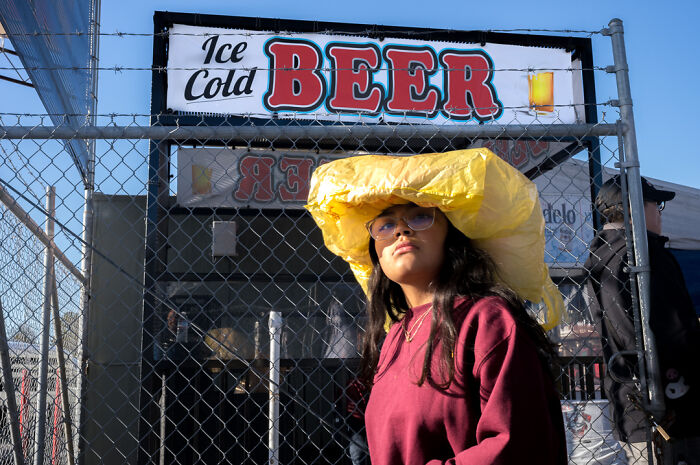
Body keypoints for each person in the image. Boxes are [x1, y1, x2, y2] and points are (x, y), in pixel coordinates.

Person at [306, 149, 567, 465]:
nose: (401, 230)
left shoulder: (488, 321)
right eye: (385, 225)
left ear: (451, 235)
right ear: (375, 251)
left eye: (419, 216)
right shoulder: (394, 337)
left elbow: (518, 446)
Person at [584, 175, 700, 465]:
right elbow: (677, 334)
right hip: (671, 407)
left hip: (628, 407)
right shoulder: (647, 256)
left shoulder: (598, 259)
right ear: (635, 207)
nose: (659, 213)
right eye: (656, 205)